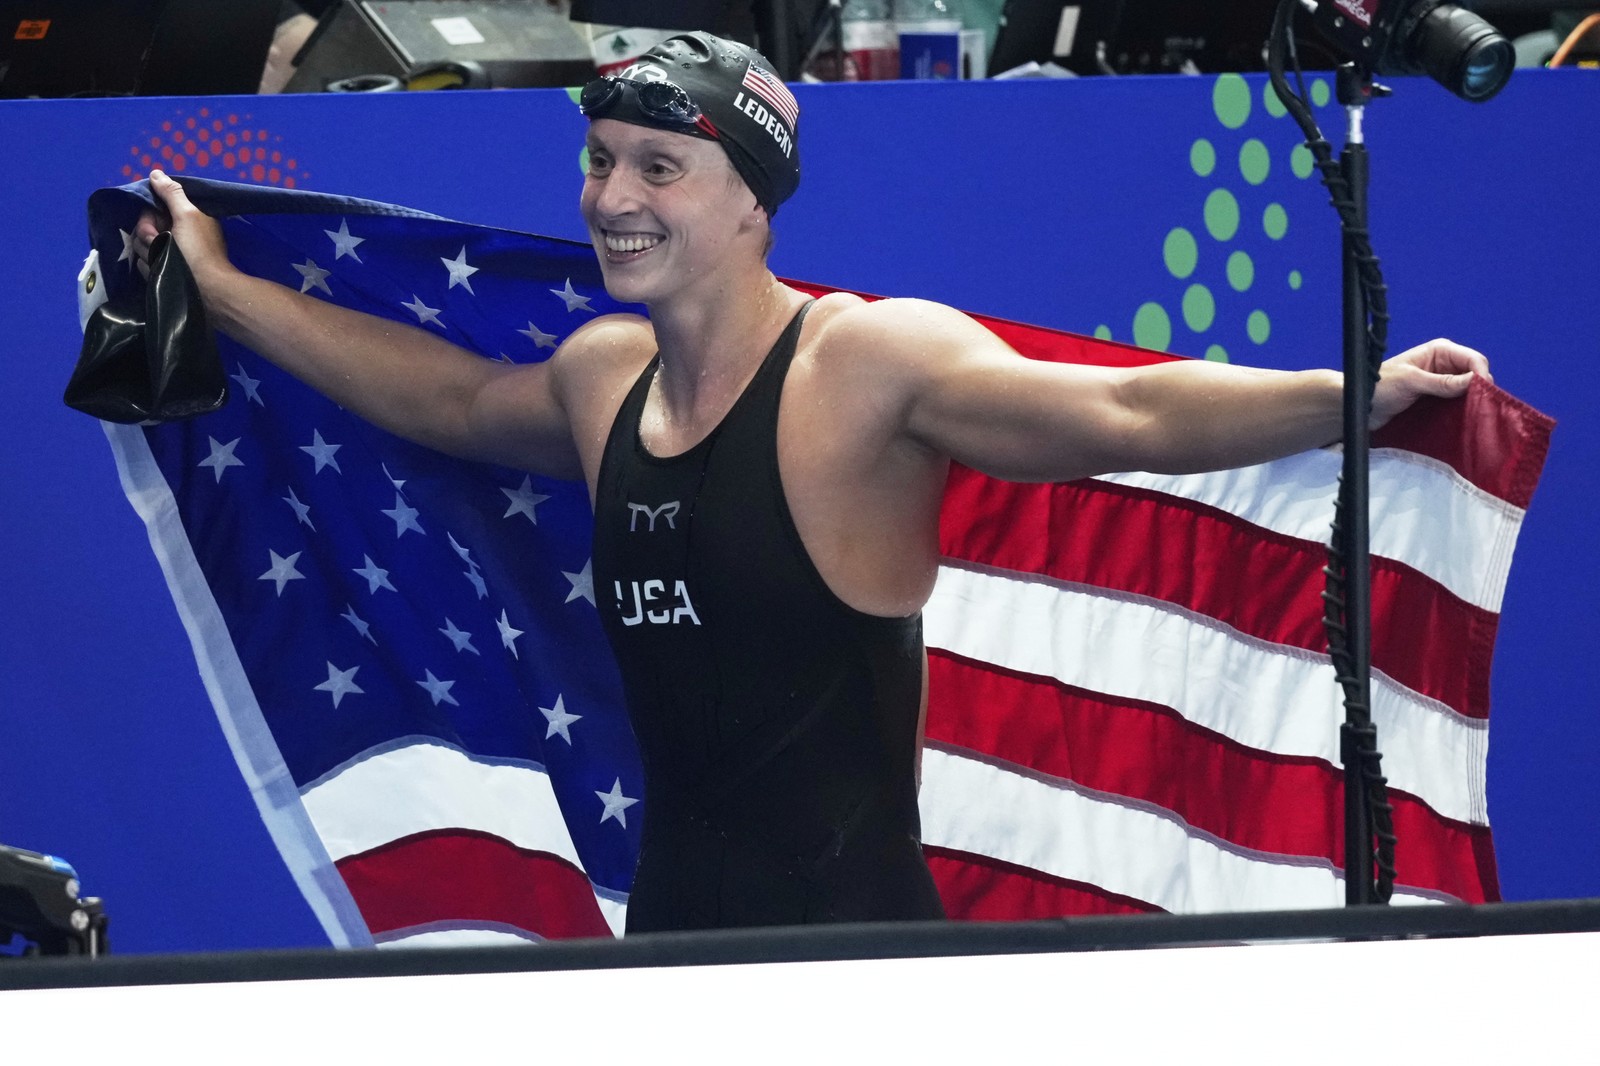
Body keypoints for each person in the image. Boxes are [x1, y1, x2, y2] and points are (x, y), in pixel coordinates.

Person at [134, 32, 1490, 933]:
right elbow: (437, 395)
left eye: (662, 168)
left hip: (859, 963)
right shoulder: (605, 378)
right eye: (601, 163)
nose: (616, 198)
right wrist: (229, 295)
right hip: (666, 942)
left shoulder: (865, 366)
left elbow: (1122, 409)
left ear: (752, 203)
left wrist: (1346, 399)